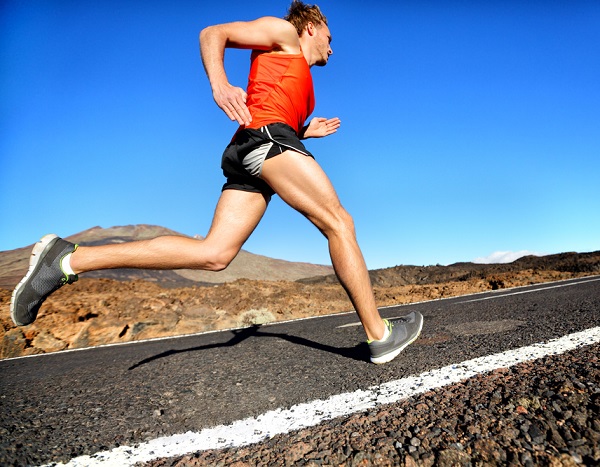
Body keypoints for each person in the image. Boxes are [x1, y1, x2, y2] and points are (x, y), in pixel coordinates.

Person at [10, 1, 422, 364]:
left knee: (215, 253)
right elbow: (214, 33)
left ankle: (67, 260)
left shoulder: (299, 79)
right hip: (267, 139)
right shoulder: (285, 35)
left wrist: (303, 130)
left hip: (256, 147)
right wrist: (220, 84)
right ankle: (380, 336)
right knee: (340, 223)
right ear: (310, 26)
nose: (332, 48)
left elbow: (273, 102)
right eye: (330, 37)